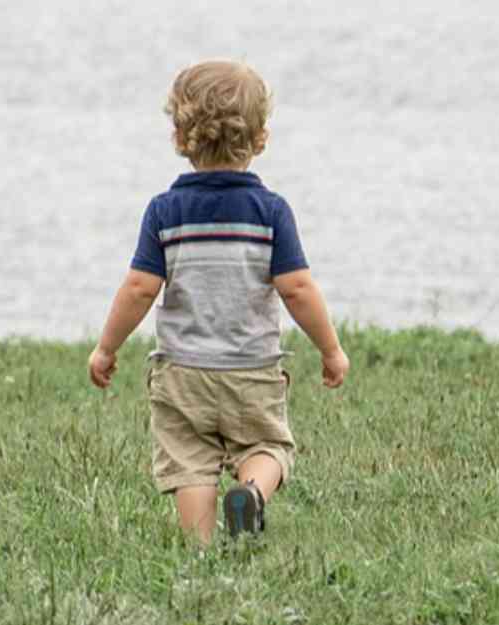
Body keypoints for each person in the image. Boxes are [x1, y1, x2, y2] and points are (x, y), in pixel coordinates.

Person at [87, 59, 349, 544]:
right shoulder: (270, 212)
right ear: (261, 138)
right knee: (267, 444)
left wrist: (106, 348)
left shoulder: (166, 211)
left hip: (183, 370)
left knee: (189, 460)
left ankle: (203, 553)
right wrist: (331, 350)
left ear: (180, 137)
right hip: (251, 368)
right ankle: (251, 492)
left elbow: (139, 288)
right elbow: (297, 289)